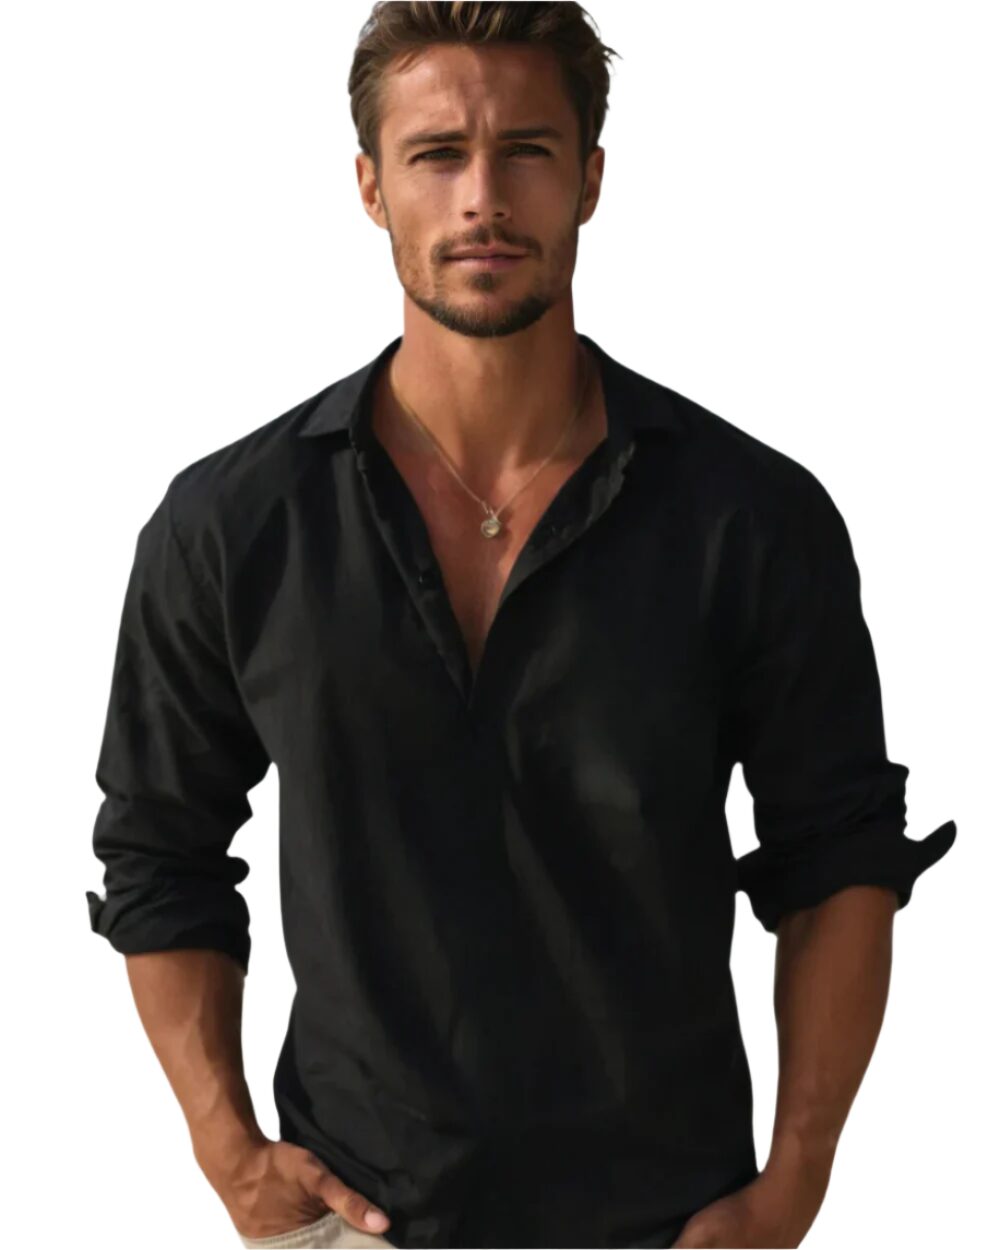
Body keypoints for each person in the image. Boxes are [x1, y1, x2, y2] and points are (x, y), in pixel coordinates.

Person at [84, 4, 957, 1248]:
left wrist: (795, 1183)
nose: (482, 198)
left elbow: (838, 857)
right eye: (437, 154)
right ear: (371, 187)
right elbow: (159, 851)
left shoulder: (751, 518)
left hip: (670, 1224)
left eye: (526, 151)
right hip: (356, 1221)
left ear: (590, 178)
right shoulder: (232, 524)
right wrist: (229, 1150)